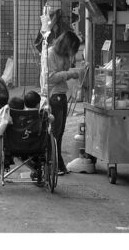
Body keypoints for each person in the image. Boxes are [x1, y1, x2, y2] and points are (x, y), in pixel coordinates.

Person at [45, 30, 82, 175]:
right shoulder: (50, 54)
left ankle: (58, 162)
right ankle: (53, 163)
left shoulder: (63, 55)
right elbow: (51, 77)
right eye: (72, 48)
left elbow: (64, 70)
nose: (72, 52)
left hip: (62, 95)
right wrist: (71, 73)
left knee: (59, 132)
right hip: (54, 96)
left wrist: (71, 64)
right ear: (66, 44)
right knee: (55, 132)